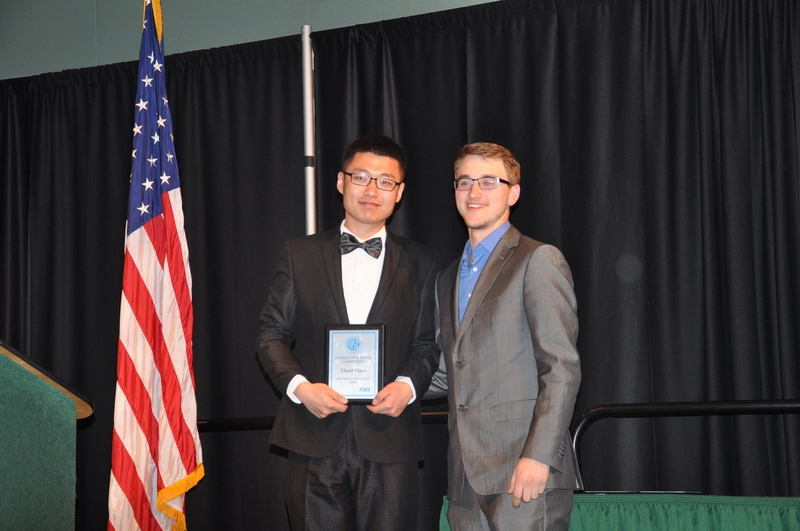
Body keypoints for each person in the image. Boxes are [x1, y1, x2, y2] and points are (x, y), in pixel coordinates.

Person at [256, 135, 441, 531]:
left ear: (399, 192)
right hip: (311, 437)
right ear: (341, 182)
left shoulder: (423, 262)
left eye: (385, 181)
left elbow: (427, 345)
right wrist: (302, 388)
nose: (372, 190)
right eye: (361, 177)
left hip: (391, 440)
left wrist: (407, 386)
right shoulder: (299, 254)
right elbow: (271, 334)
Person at [426, 142, 582, 530]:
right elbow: (449, 371)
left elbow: (561, 368)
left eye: (488, 182)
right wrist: (378, 386)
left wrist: (539, 456)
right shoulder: (446, 278)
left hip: (524, 471)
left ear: (513, 193)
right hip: (465, 480)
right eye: (464, 181)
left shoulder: (538, 259)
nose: (474, 192)